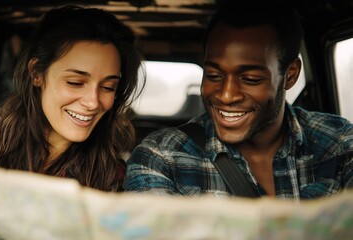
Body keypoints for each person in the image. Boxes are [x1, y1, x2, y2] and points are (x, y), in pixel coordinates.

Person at [124, 0, 353, 199]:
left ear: (290, 75)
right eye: (213, 75)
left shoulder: (339, 144)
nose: (226, 95)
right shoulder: (163, 159)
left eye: (250, 79)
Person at [0, 5, 144, 192]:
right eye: (75, 82)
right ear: (37, 73)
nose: (93, 102)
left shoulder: (111, 178)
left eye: (108, 87)